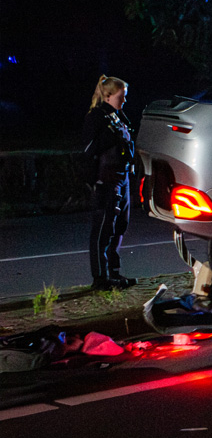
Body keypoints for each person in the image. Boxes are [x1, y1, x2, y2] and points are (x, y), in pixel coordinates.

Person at [83, 75, 137, 290]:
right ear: (107, 96)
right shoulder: (97, 117)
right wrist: (94, 180)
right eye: (120, 97)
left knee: (119, 226)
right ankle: (100, 278)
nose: (123, 101)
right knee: (103, 229)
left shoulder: (119, 116)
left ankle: (114, 273)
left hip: (121, 177)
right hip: (106, 179)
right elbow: (89, 150)